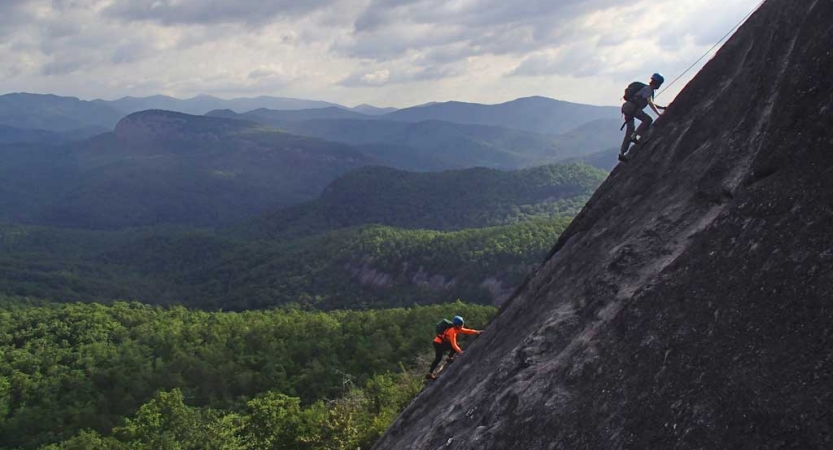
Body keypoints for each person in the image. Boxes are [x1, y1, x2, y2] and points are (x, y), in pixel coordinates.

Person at [619, 73, 667, 161]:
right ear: (657, 83)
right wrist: (659, 114)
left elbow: (651, 102)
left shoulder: (646, 89)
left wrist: (662, 108)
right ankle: (634, 136)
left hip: (627, 107)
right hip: (632, 108)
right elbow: (650, 102)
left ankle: (622, 153)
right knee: (648, 120)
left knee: (629, 130)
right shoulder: (648, 89)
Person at [426, 315, 482, 379]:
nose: (462, 326)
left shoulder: (457, 329)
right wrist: (460, 352)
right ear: (457, 325)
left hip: (443, 342)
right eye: (461, 324)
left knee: (456, 346)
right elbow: (453, 344)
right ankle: (430, 373)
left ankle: (449, 358)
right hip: (438, 343)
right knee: (438, 358)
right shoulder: (452, 331)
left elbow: (467, 331)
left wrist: (477, 332)